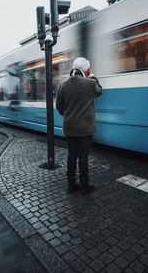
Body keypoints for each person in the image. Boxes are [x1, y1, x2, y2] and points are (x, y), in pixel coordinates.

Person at [56, 57, 102, 194]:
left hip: (69, 127)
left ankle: (71, 185)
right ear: (86, 70)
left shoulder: (62, 85)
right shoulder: (89, 83)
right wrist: (92, 76)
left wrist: (68, 115)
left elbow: (58, 106)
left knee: (71, 155)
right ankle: (85, 185)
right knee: (83, 156)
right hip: (85, 128)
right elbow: (100, 91)